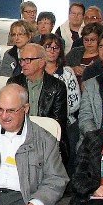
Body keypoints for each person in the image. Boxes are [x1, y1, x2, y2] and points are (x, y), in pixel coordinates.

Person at [9, 43, 69, 156]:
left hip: (46, 141)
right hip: (17, 138)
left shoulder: (57, 86)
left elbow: (57, 123)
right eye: (22, 60)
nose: (23, 64)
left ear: (42, 62)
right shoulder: (13, 83)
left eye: (28, 60)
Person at [41, 33, 81, 165]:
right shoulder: (35, 71)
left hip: (66, 120)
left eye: (56, 48)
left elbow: (74, 102)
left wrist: (56, 113)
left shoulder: (67, 72)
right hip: (39, 118)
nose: (52, 51)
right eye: (48, 47)